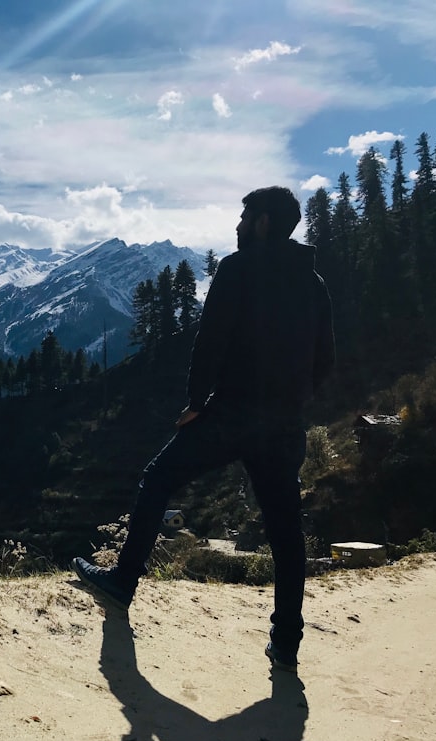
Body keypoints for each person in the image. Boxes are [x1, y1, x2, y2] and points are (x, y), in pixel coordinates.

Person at [73, 186, 335, 673]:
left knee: (157, 478)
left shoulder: (238, 270)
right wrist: (292, 403)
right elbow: (326, 361)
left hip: (231, 414)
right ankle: (287, 642)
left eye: (244, 216)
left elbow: (210, 340)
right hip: (283, 424)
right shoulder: (314, 283)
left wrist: (197, 404)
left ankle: (122, 582)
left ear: (262, 223)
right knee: (285, 531)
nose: (237, 225)